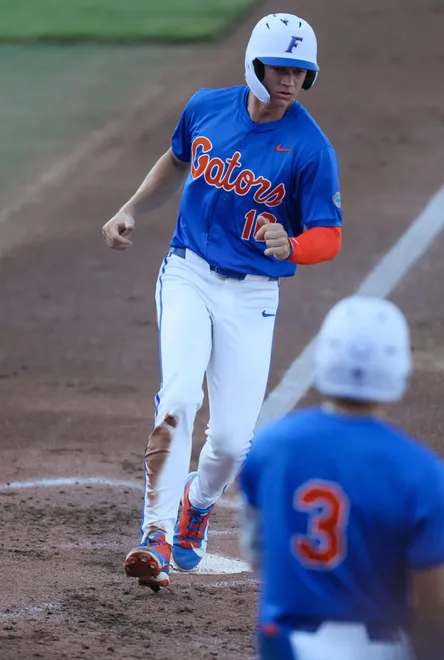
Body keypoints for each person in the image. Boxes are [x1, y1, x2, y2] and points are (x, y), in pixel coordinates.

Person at [102, 12, 342, 591]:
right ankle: (155, 536)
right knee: (180, 396)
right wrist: (130, 207)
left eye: (299, 72)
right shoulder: (207, 106)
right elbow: (176, 159)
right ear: (255, 66)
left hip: (254, 292)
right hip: (188, 272)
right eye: (280, 69)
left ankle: (195, 506)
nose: (289, 82)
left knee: (232, 441)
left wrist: (294, 243)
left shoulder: (310, 148)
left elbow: (328, 237)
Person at [238, 295, 444, 660]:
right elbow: (433, 605)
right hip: (381, 648)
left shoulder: (270, 447)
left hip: (284, 645)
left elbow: (258, 555)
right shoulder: (422, 472)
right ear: (399, 368)